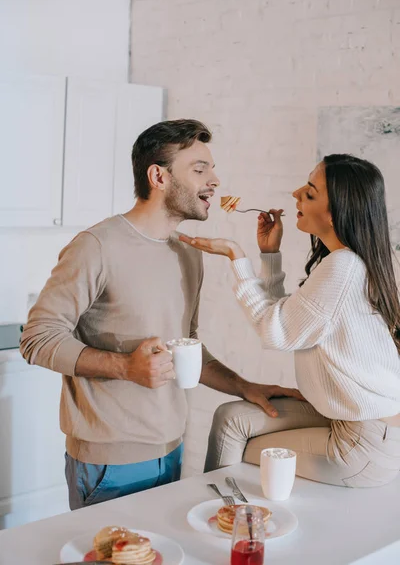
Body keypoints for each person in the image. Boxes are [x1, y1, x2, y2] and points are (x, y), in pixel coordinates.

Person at [20, 119, 302, 510]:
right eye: (200, 169)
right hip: (108, 461)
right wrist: (125, 367)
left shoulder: (187, 253)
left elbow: (186, 349)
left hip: (171, 449)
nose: (215, 180)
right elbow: (37, 338)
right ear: (159, 176)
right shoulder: (96, 246)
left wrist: (244, 387)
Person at [180, 154, 400, 488]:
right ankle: (221, 514)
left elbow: (275, 331)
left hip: (362, 442)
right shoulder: (350, 263)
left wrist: (236, 257)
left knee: (243, 441)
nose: (296, 193)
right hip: (352, 419)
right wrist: (270, 255)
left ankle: (221, 518)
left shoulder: (343, 267)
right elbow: (286, 319)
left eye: (310, 192)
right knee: (231, 416)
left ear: (335, 212)